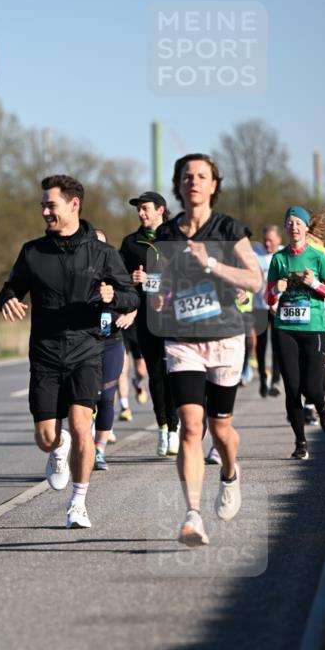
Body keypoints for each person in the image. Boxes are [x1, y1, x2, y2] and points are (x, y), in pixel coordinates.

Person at [0, 174, 139, 529]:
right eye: (43, 205)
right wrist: (8, 299)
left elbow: (131, 296)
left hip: (85, 350)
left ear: (73, 204)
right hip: (45, 354)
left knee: (81, 427)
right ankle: (57, 450)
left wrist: (113, 298)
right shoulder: (33, 253)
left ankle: (78, 503)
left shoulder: (102, 253)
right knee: (47, 437)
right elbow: (11, 287)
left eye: (51, 205)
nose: (45, 211)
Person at [150, 154, 263, 547]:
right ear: (178, 185)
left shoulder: (229, 229)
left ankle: (230, 472)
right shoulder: (165, 235)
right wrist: (158, 296)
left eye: (201, 176)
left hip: (225, 338)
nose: (193, 182)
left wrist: (212, 263)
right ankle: (193, 515)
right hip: (182, 341)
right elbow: (158, 282)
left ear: (214, 184)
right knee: (191, 427)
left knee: (220, 429)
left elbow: (254, 279)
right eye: (186, 176)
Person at [266, 205, 325, 459]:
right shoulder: (278, 258)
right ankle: (300, 443)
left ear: (306, 227)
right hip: (285, 329)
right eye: (290, 223)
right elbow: (268, 298)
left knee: (311, 388)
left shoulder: (318, 256)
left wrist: (315, 284)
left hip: (314, 329)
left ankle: (321, 405)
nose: (294, 227)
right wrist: (276, 289)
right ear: (286, 228)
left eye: (298, 223)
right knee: (292, 388)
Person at [120, 191, 179, 457]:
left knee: (175, 374)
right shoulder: (131, 244)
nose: (141, 214)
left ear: (160, 210)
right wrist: (131, 280)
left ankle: (176, 429)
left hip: (175, 316)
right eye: (139, 210)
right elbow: (118, 281)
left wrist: (159, 280)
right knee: (155, 374)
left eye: (145, 209)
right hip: (146, 318)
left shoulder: (177, 239)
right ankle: (163, 427)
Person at [91, 230, 125, 471]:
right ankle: (80, 445)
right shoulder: (78, 274)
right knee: (84, 400)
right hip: (84, 343)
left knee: (106, 399)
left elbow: (132, 297)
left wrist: (131, 313)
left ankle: (99, 451)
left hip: (112, 341)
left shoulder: (116, 271)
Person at [254, 225, 283, 397]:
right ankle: (263, 378)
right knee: (261, 345)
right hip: (259, 307)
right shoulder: (254, 254)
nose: (267, 243)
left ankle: (276, 381)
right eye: (265, 239)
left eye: (271, 240)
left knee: (278, 343)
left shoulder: (283, 254)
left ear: (279, 240)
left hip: (278, 307)